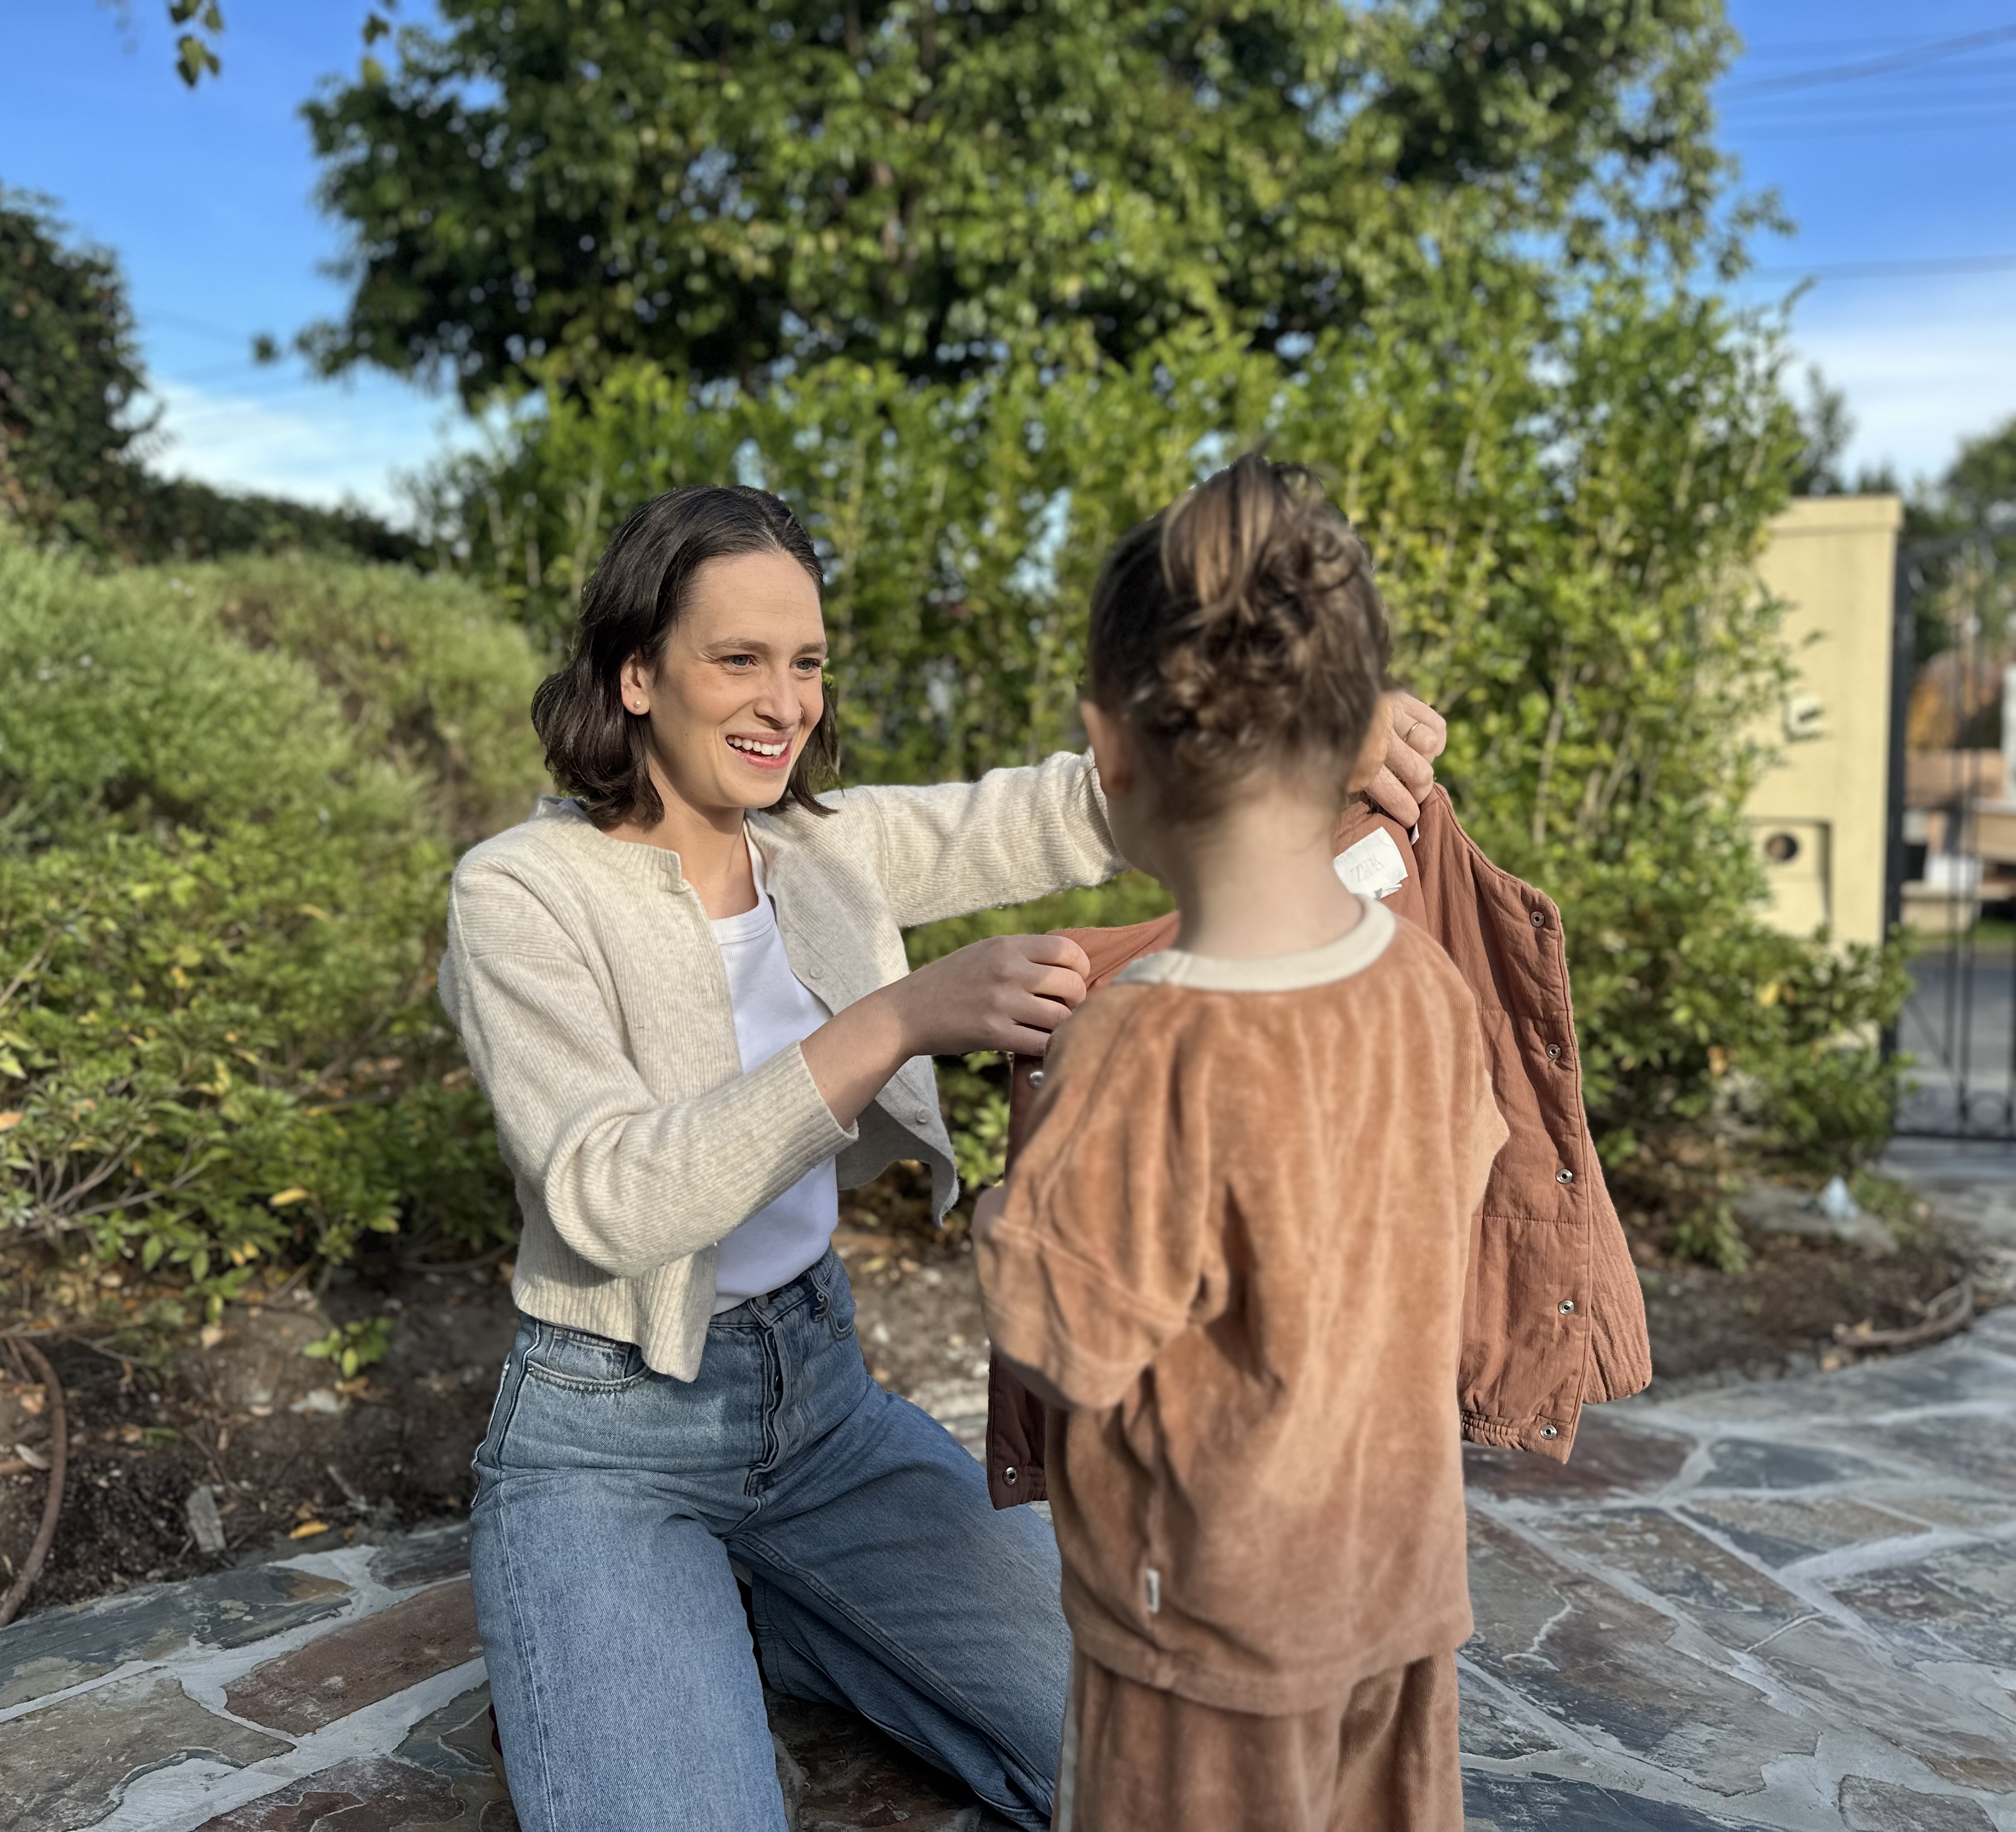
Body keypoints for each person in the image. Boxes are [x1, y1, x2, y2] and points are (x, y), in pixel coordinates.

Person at [437, 481, 1448, 1832]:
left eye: (806, 664)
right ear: (636, 674)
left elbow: (1063, 809)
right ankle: (700, 1617)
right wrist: (901, 1016)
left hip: (823, 1413)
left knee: (1157, 1763)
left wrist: (1309, 731)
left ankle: (788, 1621)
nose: (784, 703)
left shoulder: (820, 849)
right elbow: (610, 1198)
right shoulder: (519, 892)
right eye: (738, 659)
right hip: (607, 1442)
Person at [972, 456, 1506, 1832]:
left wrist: (998, 1220)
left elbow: (1073, 1341)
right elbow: (1446, 1192)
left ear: (1111, 749)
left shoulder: (1137, 1046)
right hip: (1397, 1596)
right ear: (1354, 727)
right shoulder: (1425, 985)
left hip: (1201, 1639)